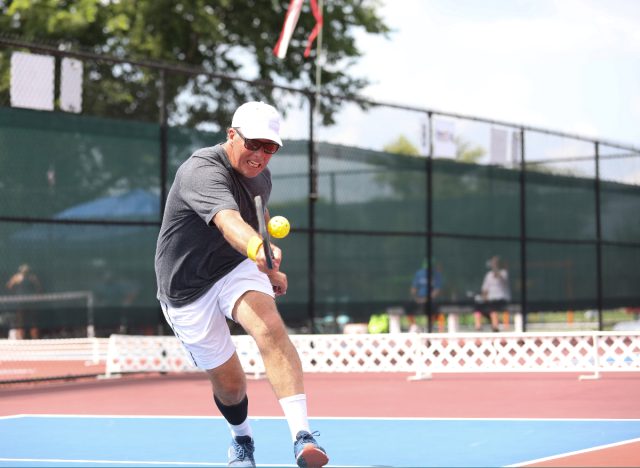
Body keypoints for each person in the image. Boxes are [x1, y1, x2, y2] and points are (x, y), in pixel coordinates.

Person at [154, 101, 328, 468]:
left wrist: (268, 268)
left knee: (269, 327)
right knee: (230, 384)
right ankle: (242, 440)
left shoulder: (259, 174)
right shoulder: (201, 170)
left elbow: (257, 216)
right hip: (185, 289)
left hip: (235, 267)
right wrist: (255, 248)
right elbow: (229, 220)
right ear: (232, 135)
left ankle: (303, 435)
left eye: (271, 148)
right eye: (254, 144)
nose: (260, 155)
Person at [5, 263, 42, 339]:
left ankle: (35, 340)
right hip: (20, 303)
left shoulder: (32, 278)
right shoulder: (17, 278)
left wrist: (35, 296)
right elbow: (9, 287)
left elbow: (39, 289)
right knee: (20, 323)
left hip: (31, 303)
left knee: (33, 323)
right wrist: (15, 289)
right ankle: (20, 341)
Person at [475, 255, 511, 332]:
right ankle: (478, 328)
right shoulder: (488, 275)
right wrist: (484, 299)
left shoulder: (504, 273)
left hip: (501, 300)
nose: (494, 264)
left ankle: (495, 327)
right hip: (489, 301)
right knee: (478, 307)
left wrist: (496, 269)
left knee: (492, 308)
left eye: (496, 263)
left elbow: (502, 279)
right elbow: (485, 290)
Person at [409, 258, 443, 332]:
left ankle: (429, 326)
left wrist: (426, 299)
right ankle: (414, 326)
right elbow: (413, 289)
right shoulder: (419, 273)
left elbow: (437, 291)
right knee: (407, 307)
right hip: (418, 299)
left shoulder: (437, 275)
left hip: (432, 300)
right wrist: (416, 298)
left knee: (435, 309)